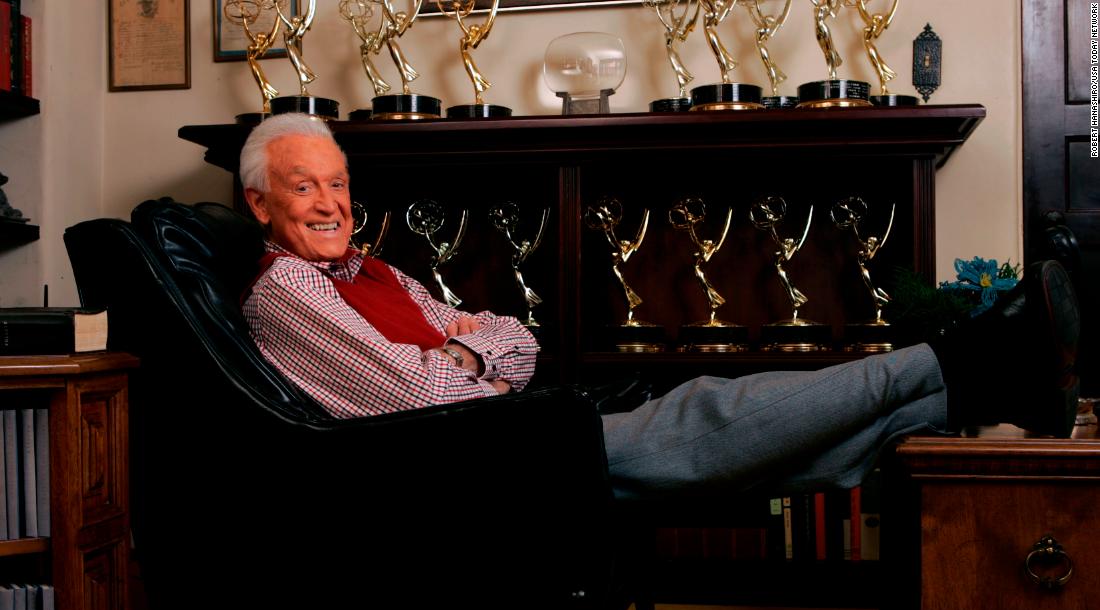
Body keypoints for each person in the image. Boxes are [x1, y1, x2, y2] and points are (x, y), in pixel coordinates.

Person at [240, 113, 1081, 501]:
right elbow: (418, 397)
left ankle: (976, 389)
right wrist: (470, 362)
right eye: (303, 185)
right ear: (260, 206)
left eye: (340, 182)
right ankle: (967, 358)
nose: (330, 201)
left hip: (513, 429)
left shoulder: (373, 271)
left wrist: (470, 357)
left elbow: (514, 337)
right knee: (716, 410)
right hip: (484, 466)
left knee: (763, 444)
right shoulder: (287, 291)